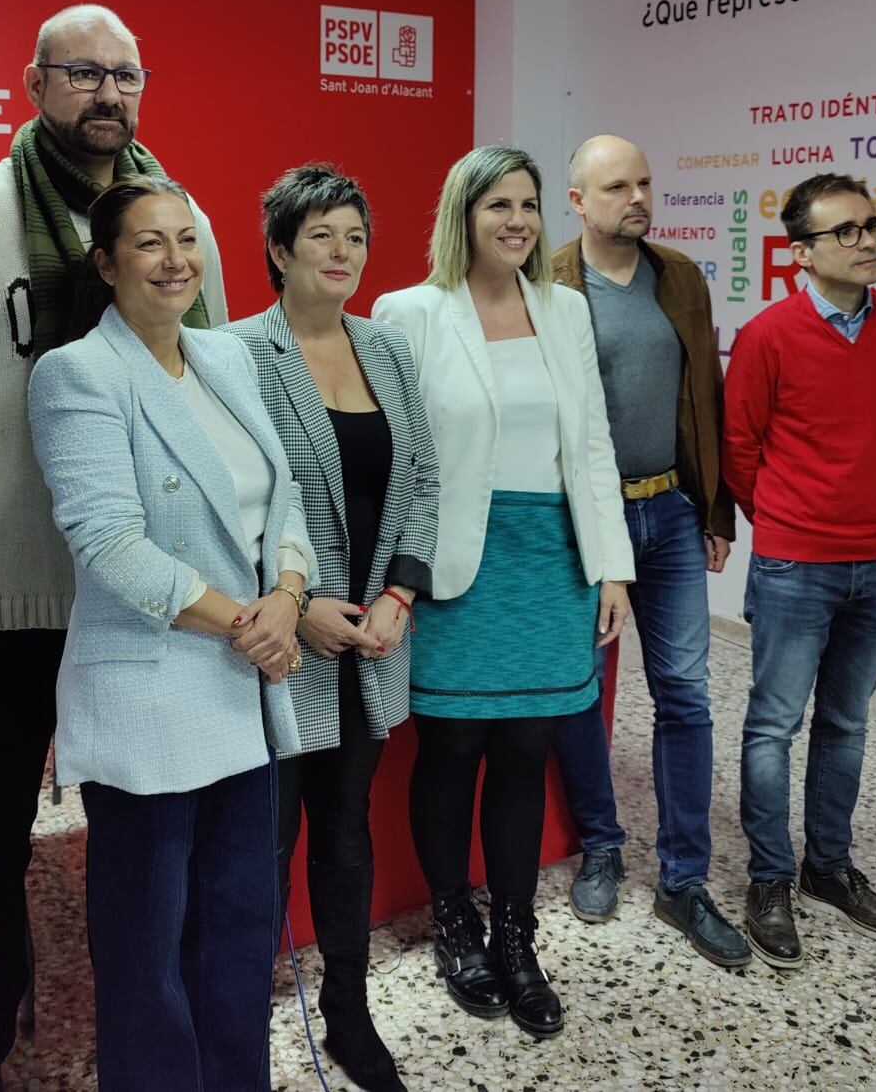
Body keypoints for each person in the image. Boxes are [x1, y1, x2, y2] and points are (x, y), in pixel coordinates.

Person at [0, 4, 226, 1092]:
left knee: (147, 831)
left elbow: (215, 392)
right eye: (83, 74)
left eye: (125, 75)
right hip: (6, 588)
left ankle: (150, 1035)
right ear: (34, 82)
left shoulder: (175, 217)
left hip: (142, 593)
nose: (108, 94)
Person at [28, 175, 311, 1091]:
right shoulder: (77, 374)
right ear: (106, 265)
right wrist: (247, 621)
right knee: (148, 959)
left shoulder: (227, 359)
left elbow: (287, 500)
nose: (174, 259)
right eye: (148, 243)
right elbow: (110, 542)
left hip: (245, 695)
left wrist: (292, 595)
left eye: (186, 239)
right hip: (151, 697)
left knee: (236, 938)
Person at [372, 145, 634, 1040]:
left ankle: (518, 937)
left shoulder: (564, 310)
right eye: (497, 206)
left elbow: (592, 442)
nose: (517, 221)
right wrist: (393, 579)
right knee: (450, 757)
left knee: (526, 755)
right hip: (453, 566)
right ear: (462, 215)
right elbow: (400, 459)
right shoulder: (408, 313)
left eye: (527, 205)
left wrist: (612, 565)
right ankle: (456, 922)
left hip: (552, 558)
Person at [225, 164, 439, 1092]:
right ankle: (239, 1032)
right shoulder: (235, 352)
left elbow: (422, 480)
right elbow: (227, 503)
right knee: (260, 848)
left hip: (370, 645)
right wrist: (293, 603)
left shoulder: (385, 348)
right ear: (278, 250)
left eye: (355, 235)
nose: (344, 252)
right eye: (322, 236)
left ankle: (350, 1018)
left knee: (346, 834)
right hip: (280, 646)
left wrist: (398, 595)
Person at [550, 135, 751, 969]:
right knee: (580, 690)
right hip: (580, 523)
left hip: (668, 512)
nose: (637, 197)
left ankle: (684, 880)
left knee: (685, 695)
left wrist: (715, 507)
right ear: (578, 200)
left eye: (644, 182)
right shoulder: (550, 283)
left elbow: (704, 393)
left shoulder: (680, 278)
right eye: (617, 185)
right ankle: (600, 844)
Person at [723, 171, 876, 970]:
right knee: (774, 725)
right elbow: (741, 448)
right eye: (846, 231)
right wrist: (785, 517)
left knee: (848, 724)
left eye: (873, 225)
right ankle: (770, 878)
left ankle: (829, 869)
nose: (869, 240)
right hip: (794, 562)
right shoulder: (769, 334)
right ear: (801, 252)